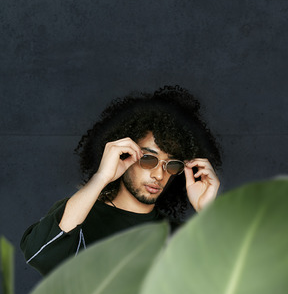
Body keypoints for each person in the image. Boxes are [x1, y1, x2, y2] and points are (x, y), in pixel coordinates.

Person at [20, 85, 222, 275]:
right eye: (149, 159)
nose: (159, 175)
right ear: (125, 154)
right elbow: (39, 254)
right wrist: (101, 178)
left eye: (171, 165)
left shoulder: (178, 236)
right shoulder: (80, 219)